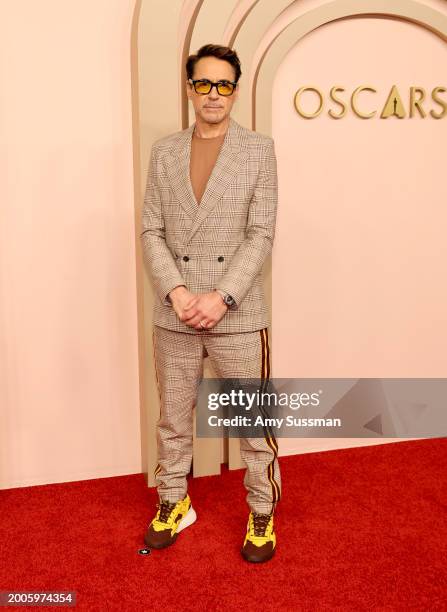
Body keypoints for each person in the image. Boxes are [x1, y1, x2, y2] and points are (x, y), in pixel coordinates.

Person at [140, 43, 281, 563]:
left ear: (235, 91)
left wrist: (221, 297)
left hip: (236, 313)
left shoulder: (258, 150)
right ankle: (173, 500)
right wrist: (177, 291)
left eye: (224, 85)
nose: (214, 94)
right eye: (204, 84)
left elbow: (261, 234)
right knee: (173, 419)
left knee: (252, 423)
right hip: (174, 312)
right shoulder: (165, 151)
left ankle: (262, 510)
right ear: (190, 88)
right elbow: (151, 228)